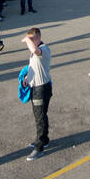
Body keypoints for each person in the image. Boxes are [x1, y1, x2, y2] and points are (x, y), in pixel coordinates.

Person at [22, 28, 52, 159]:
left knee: (39, 117)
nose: (30, 42)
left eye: (33, 39)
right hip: (36, 86)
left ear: (38, 38)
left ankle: (39, 147)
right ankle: (44, 139)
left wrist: (27, 40)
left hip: (41, 88)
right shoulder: (37, 49)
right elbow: (34, 64)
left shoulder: (43, 49)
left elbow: (34, 50)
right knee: (40, 115)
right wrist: (27, 78)